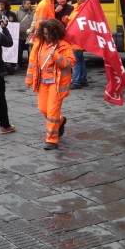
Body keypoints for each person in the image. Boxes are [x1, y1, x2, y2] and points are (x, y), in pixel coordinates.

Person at [25, 18, 76, 150]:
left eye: (49, 34)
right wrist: (29, 79)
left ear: (55, 33)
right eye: (45, 33)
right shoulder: (39, 44)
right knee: (43, 108)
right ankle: (60, 121)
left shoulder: (63, 45)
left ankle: (51, 139)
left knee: (52, 111)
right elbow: (32, 62)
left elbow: (70, 63)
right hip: (42, 82)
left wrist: (56, 56)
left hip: (56, 84)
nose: (47, 36)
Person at [67, 0, 89, 89]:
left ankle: (76, 82)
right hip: (75, 39)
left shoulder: (84, 9)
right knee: (80, 60)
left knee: (75, 62)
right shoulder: (77, 8)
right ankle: (83, 80)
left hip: (76, 39)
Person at [15, 0, 34, 69]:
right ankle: (18, 64)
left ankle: (30, 64)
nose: (29, 5)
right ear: (23, 4)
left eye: (30, 3)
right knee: (19, 51)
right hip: (20, 36)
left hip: (29, 36)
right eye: (28, 3)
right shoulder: (17, 12)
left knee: (30, 51)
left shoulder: (33, 12)